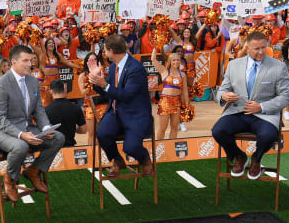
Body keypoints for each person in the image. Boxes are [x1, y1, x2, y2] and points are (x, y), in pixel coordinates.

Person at [211, 31, 289, 180]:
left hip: (264, 115)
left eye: (264, 47)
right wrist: (224, 96)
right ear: (247, 47)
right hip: (237, 111)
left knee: (268, 135)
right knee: (218, 131)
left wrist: (262, 107)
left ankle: (256, 158)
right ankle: (239, 156)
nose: (261, 51)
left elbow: (287, 96)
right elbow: (222, 90)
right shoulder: (234, 65)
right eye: (257, 49)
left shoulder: (278, 66)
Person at [0, 45, 65, 202]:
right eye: (25, 61)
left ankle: (33, 171)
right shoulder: (0, 85)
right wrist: (21, 134)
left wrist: (46, 128)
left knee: (58, 137)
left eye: (31, 60)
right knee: (21, 145)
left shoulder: (32, 81)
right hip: (0, 130)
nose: (30, 64)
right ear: (13, 62)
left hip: (26, 126)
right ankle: (9, 179)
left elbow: (39, 110)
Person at [87, 35, 153, 177]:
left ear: (111, 51)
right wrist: (96, 81)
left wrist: (103, 84)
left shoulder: (136, 69)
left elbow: (125, 95)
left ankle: (145, 159)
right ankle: (117, 161)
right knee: (103, 135)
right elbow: (108, 94)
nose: (104, 53)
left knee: (131, 147)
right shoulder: (113, 67)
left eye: (105, 50)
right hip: (116, 113)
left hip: (135, 115)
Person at [151, 48, 189, 139]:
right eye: (174, 60)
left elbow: (184, 91)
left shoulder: (182, 75)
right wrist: (155, 46)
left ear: (180, 62)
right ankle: (158, 148)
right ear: (170, 61)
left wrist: (187, 104)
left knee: (174, 127)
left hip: (177, 102)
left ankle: (171, 147)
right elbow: (153, 59)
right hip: (165, 101)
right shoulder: (164, 71)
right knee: (162, 128)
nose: (176, 62)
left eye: (178, 60)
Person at [45, 79, 86, 147]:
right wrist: (72, 128)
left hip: (53, 149)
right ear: (64, 90)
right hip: (70, 147)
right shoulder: (76, 108)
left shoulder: (46, 110)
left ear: (51, 91)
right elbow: (84, 130)